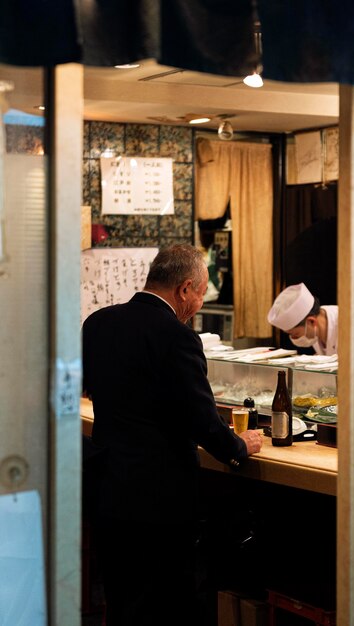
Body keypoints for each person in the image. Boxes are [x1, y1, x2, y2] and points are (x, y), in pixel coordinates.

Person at [82, 243, 263, 626]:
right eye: (201, 292)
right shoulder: (177, 336)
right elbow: (202, 419)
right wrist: (237, 448)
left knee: (120, 598)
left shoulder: (98, 322)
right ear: (184, 289)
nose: (199, 302)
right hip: (157, 498)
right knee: (164, 604)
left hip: (107, 488)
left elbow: (91, 388)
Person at [267, 283, 354, 365]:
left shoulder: (351, 324)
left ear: (311, 321)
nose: (294, 339)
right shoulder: (318, 327)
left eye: (295, 334)